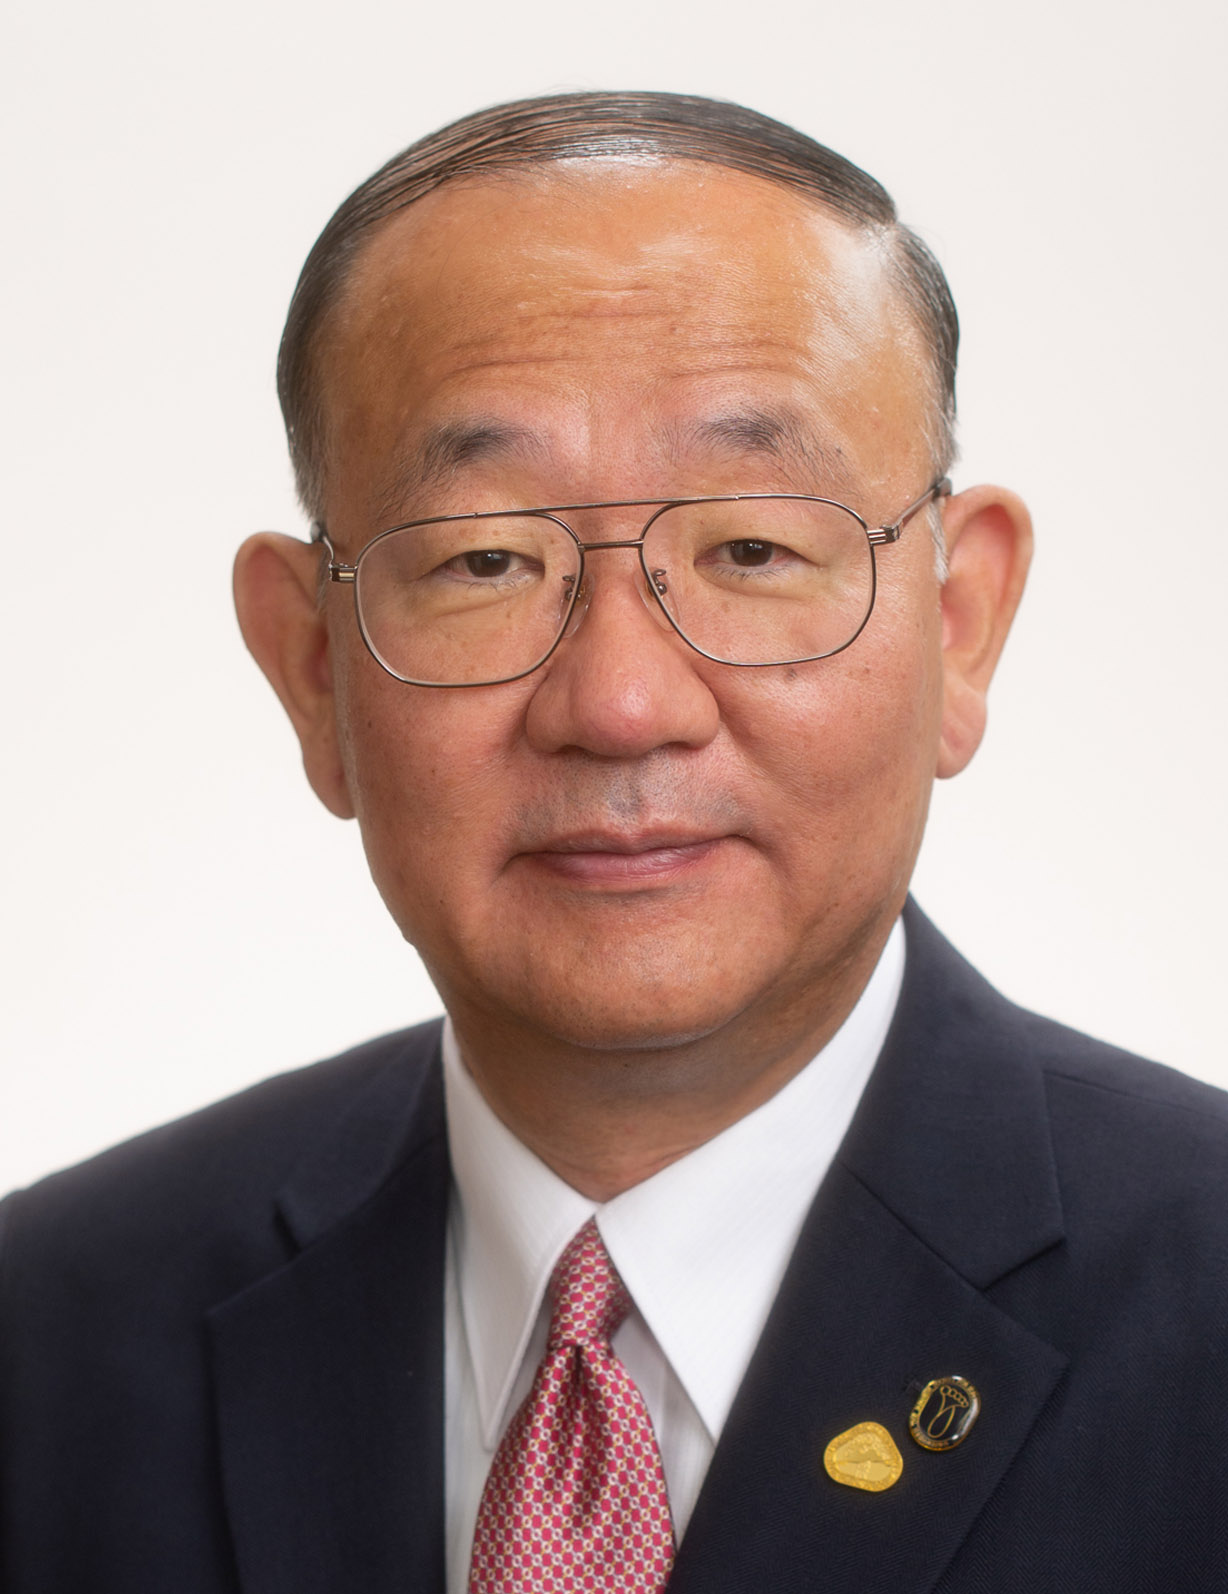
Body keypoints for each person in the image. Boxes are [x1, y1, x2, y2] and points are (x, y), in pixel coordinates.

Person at [1, 91, 1225, 1594]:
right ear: (313, 667)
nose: (623, 704)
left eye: (753, 548)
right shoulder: (46, 1335)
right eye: (485, 561)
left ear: (960, 625)